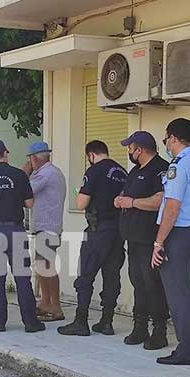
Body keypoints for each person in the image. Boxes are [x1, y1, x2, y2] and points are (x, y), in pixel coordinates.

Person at [151, 118, 190, 366]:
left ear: (173, 138)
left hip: (178, 234)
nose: (166, 143)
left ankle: (187, 350)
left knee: (179, 295)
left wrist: (158, 242)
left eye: (166, 138)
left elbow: (172, 206)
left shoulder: (179, 164)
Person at [0, 140, 46, 333]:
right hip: (16, 230)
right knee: (22, 278)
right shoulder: (19, 175)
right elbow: (29, 204)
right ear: (6, 153)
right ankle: (30, 322)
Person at [58, 140, 126, 337]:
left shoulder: (94, 171)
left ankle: (81, 321)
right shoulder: (122, 172)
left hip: (98, 231)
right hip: (118, 231)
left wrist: (79, 194)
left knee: (85, 276)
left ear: (91, 155)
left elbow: (81, 203)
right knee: (112, 276)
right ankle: (107, 322)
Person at [114, 131, 170, 350]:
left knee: (153, 284)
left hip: (150, 238)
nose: (129, 151)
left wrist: (132, 202)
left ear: (140, 149)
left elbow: (161, 201)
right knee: (138, 282)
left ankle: (159, 331)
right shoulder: (135, 171)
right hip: (133, 237)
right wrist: (121, 200)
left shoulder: (161, 169)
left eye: (130, 148)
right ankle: (140, 327)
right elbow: (129, 197)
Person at [22, 141, 67, 322]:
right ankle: (46, 302)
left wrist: (24, 172)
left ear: (34, 158)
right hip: (48, 226)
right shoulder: (51, 172)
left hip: (47, 227)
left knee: (46, 267)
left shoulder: (45, 175)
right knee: (43, 266)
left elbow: (25, 191)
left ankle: (55, 306)